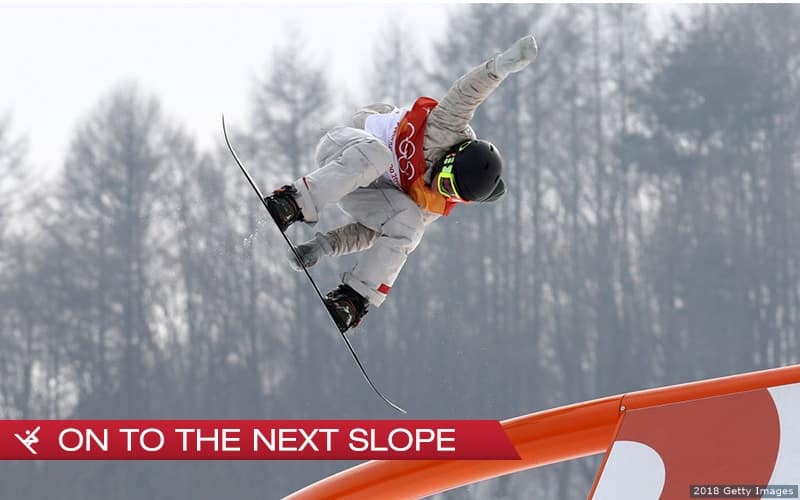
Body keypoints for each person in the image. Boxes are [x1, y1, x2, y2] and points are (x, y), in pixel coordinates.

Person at [264, 35, 538, 333]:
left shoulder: (432, 204)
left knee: (410, 222)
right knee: (379, 155)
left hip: (363, 193)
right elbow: (467, 93)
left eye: (452, 193)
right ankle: (292, 202)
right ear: (452, 157)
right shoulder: (445, 127)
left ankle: (353, 298)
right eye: (447, 181)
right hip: (343, 151)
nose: (442, 189)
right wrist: (500, 66)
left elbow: (374, 231)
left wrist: (323, 245)